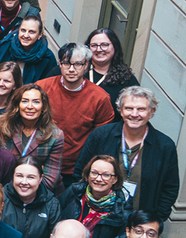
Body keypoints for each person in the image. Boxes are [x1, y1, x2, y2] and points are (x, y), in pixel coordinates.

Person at [76, 87, 178, 222]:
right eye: (129, 108)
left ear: (151, 112)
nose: (134, 114)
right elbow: (80, 173)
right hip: (98, 218)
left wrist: (155, 219)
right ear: (121, 110)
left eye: (141, 109)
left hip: (141, 223)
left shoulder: (164, 146)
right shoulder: (101, 136)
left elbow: (170, 188)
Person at [39, 42, 116, 185]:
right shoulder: (42, 88)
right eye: (67, 63)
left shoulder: (100, 98)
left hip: (76, 170)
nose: (72, 69)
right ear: (60, 65)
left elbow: (101, 139)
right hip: (41, 164)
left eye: (78, 64)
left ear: (86, 65)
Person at [0, 83, 66, 190]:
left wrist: (25, 191)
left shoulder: (55, 135)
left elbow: (50, 179)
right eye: (25, 101)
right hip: (6, 191)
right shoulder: (1, 126)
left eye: (36, 102)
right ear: (17, 105)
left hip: (41, 195)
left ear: (43, 107)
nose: (30, 106)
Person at [61, 155, 132, 238]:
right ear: (88, 174)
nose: (98, 179)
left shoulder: (122, 207)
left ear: (115, 179)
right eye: (94, 173)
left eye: (106, 175)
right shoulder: (74, 192)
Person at [2, 155, 62, 238]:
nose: (24, 182)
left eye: (31, 177)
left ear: (40, 178)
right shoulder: (0, 198)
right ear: (12, 176)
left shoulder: (52, 205)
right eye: (19, 176)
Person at [85, 28, 140, 120]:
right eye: (94, 45)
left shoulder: (126, 80)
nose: (99, 49)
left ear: (115, 47)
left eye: (105, 45)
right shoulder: (76, 70)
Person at [0, 14, 59, 85]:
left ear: (39, 35)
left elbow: (49, 84)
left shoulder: (47, 57)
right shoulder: (4, 46)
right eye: (23, 30)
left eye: (31, 32)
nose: (26, 35)